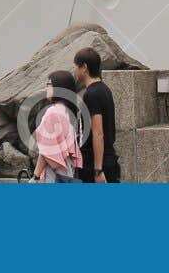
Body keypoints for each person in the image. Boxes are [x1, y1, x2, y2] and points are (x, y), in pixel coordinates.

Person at [72, 47, 119, 183]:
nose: (75, 70)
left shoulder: (91, 94)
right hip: (108, 158)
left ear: (84, 67)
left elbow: (98, 133)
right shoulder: (105, 89)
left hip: (95, 163)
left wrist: (98, 170)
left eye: (76, 66)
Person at [31, 70, 82, 183]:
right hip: (68, 173)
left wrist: (36, 176)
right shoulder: (69, 112)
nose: (46, 89)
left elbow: (46, 151)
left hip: (54, 175)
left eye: (48, 85)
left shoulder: (53, 112)